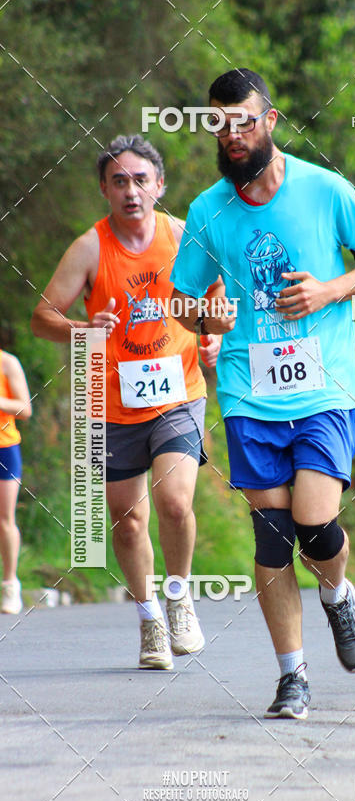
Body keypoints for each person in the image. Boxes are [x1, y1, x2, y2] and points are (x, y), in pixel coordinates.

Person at [170, 69, 355, 718]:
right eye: (221, 122)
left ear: (269, 122)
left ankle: (337, 598)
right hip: (249, 389)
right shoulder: (207, 210)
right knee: (272, 536)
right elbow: (184, 300)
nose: (233, 133)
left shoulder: (324, 190)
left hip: (324, 382)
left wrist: (329, 290)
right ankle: (291, 677)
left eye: (245, 120)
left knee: (313, 519)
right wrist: (207, 318)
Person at [31, 134, 221, 670]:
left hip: (178, 391)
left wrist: (214, 337)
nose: (131, 191)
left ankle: (180, 598)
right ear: (104, 191)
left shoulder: (185, 237)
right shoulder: (90, 248)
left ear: (159, 186)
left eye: (141, 180)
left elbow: (218, 303)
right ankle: (149, 619)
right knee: (127, 519)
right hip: (109, 400)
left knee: (175, 502)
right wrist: (82, 328)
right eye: (119, 181)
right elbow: (42, 318)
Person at [0, 349, 32, 614]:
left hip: (4, 447)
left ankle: (10, 584)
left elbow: (24, 408)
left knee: (4, 518)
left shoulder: (8, 362)